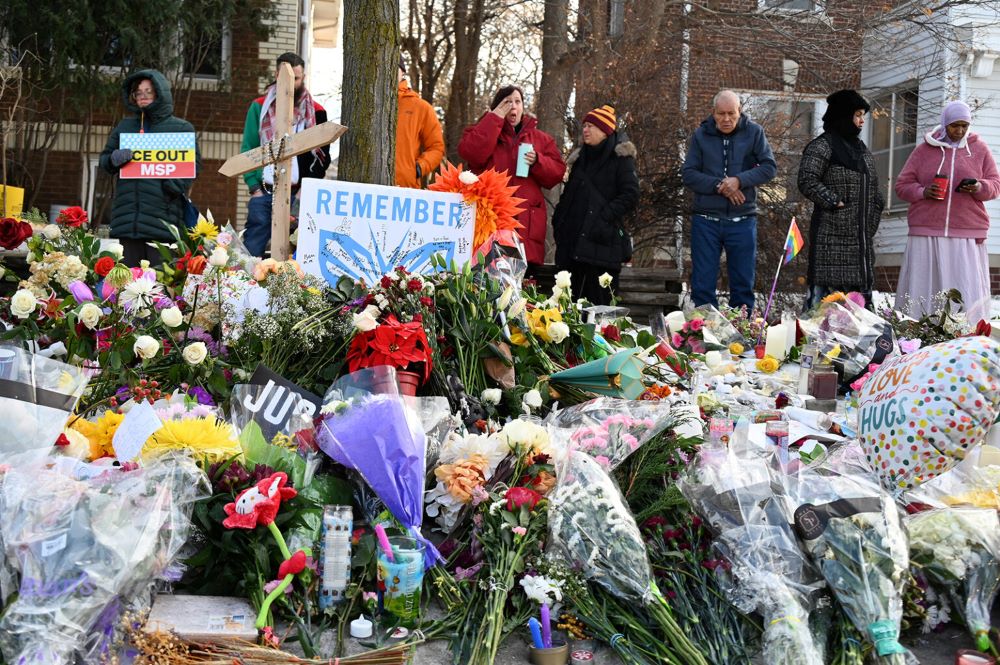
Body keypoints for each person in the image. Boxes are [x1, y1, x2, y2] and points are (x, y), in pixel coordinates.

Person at [895, 100, 1000, 324]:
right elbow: (902, 186)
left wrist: (979, 187)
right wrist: (923, 192)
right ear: (945, 124)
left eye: (964, 125)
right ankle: (916, 330)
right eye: (954, 126)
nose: (959, 131)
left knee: (963, 286)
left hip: (966, 230)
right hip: (926, 229)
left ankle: (964, 332)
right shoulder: (924, 150)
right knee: (924, 285)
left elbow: (995, 185)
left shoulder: (979, 149)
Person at [681, 90, 776, 312]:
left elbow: (769, 167)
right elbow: (689, 173)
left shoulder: (754, 133)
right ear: (713, 113)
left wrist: (739, 180)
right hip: (706, 220)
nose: (726, 119)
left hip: (743, 220)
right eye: (721, 114)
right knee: (702, 286)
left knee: (743, 286)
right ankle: (703, 336)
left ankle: (741, 339)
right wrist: (721, 186)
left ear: (739, 111)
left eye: (731, 113)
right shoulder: (701, 135)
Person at [458, 85, 566, 270]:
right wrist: (494, 119)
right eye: (507, 102)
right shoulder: (482, 130)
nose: (513, 107)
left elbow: (556, 173)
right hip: (491, 223)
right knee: (487, 282)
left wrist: (538, 161)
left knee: (526, 290)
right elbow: (471, 153)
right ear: (497, 106)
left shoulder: (541, 139)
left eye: (517, 102)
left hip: (526, 227)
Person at [99, 69, 200, 267]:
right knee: (128, 286)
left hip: (162, 223)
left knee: (160, 288)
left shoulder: (180, 128)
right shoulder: (125, 127)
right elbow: (105, 161)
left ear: (160, 93)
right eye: (138, 92)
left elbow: (192, 166)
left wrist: (170, 188)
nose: (143, 95)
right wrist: (114, 159)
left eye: (148, 91)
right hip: (128, 223)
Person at [798, 89, 884, 310]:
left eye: (862, 115)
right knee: (824, 315)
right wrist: (834, 202)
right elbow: (807, 180)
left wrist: (874, 213)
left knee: (862, 318)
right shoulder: (823, 146)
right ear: (843, 115)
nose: (861, 120)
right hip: (831, 241)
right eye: (857, 115)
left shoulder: (861, 150)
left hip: (860, 246)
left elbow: (873, 189)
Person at [241, 52, 331, 258]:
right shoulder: (259, 107)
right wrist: (255, 187)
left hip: (299, 193)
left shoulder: (316, 111)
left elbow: (322, 158)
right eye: (287, 79)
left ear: (304, 77)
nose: (292, 85)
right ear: (276, 74)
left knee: (297, 253)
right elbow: (249, 149)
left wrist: (305, 190)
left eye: (297, 79)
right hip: (264, 191)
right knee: (252, 253)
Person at [553, 105, 639, 305]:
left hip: (602, 248)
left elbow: (631, 195)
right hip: (571, 249)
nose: (585, 130)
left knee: (599, 312)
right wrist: (559, 221)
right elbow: (568, 196)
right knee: (567, 311)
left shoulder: (621, 159)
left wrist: (603, 219)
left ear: (605, 130)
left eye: (591, 126)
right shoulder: (580, 159)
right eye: (584, 125)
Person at [395, 56, 444, 188]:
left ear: (403, 72)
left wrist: (417, 168)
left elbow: (437, 147)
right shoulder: (366, 106)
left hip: (404, 187)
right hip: (365, 187)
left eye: (394, 67)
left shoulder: (421, 107)